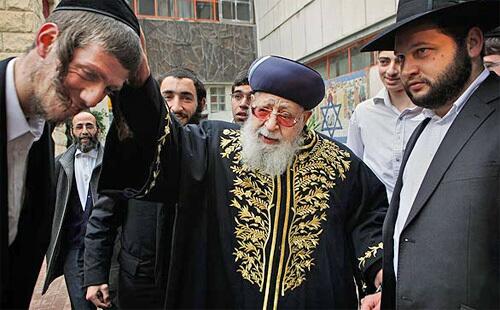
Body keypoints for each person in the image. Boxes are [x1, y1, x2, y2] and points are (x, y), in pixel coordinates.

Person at [92, 52, 388, 308]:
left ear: (306, 117)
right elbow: (160, 142)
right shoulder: (212, 146)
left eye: (286, 116)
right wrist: (137, 82)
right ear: (252, 104)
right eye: (262, 111)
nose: (271, 125)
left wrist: (378, 269)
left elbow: (368, 219)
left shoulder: (340, 165)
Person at [0, 0, 141, 307]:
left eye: (108, 90)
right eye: (89, 73)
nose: (92, 98)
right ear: (47, 41)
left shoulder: (41, 142)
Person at [360, 0, 499, 309]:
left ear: (473, 43)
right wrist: (395, 293)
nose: (406, 69)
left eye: (422, 51)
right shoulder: (422, 126)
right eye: (401, 56)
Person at [84, 68, 207, 309]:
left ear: (200, 103)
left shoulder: (211, 153)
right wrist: (96, 276)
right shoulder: (131, 148)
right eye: (168, 97)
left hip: (191, 283)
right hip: (137, 285)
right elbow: (103, 218)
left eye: (186, 97)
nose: (176, 106)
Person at [42, 111, 118, 309]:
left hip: (109, 250)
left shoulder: (112, 162)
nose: (85, 131)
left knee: (113, 302)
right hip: (73, 249)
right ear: (71, 131)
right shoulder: (59, 165)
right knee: (81, 305)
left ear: (98, 130)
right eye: (79, 126)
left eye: (89, 126)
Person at [347, 51, 423, 202]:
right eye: (384, 62)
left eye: (399, 61)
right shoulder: (363, 113)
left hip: (418, 213)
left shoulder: (429, 112)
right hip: (376, 216)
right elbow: (352, 169)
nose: (391, 71)